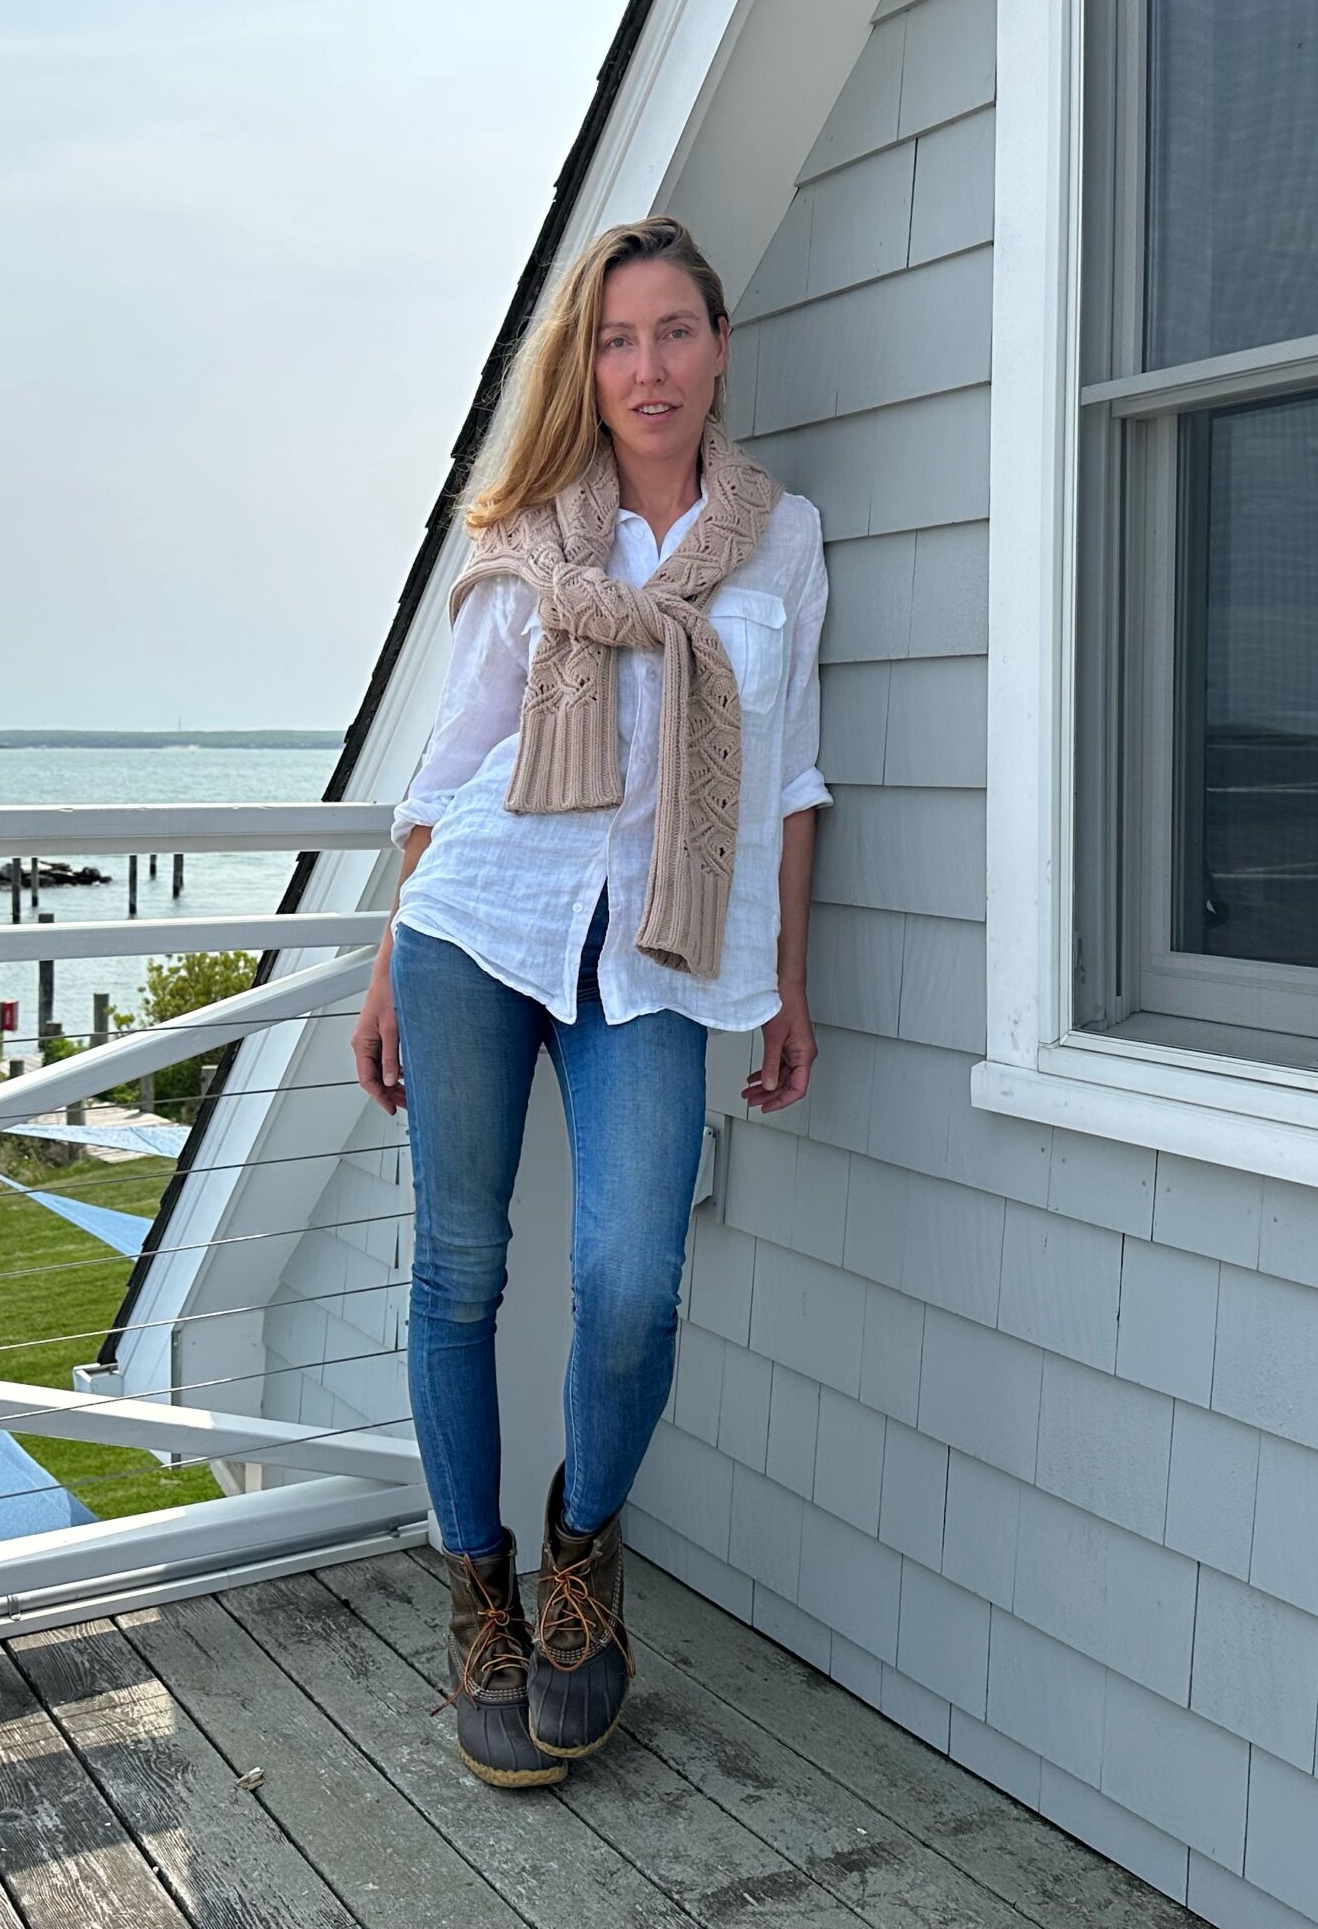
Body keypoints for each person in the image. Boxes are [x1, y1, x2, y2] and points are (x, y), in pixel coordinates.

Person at [352, 215, 828, 1786]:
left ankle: (582, 1555)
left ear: (718, 345)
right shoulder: (529, 539)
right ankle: (477, 1592)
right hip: (481, 922)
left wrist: (790, 986)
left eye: (674, 331)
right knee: (461, 1269)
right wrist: (381, 969)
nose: (648, 367)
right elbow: (448, 763)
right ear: (589, 362)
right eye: (618, 339)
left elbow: (791, 776)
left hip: (665, 951)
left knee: (630, 1279)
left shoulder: (781, 542)